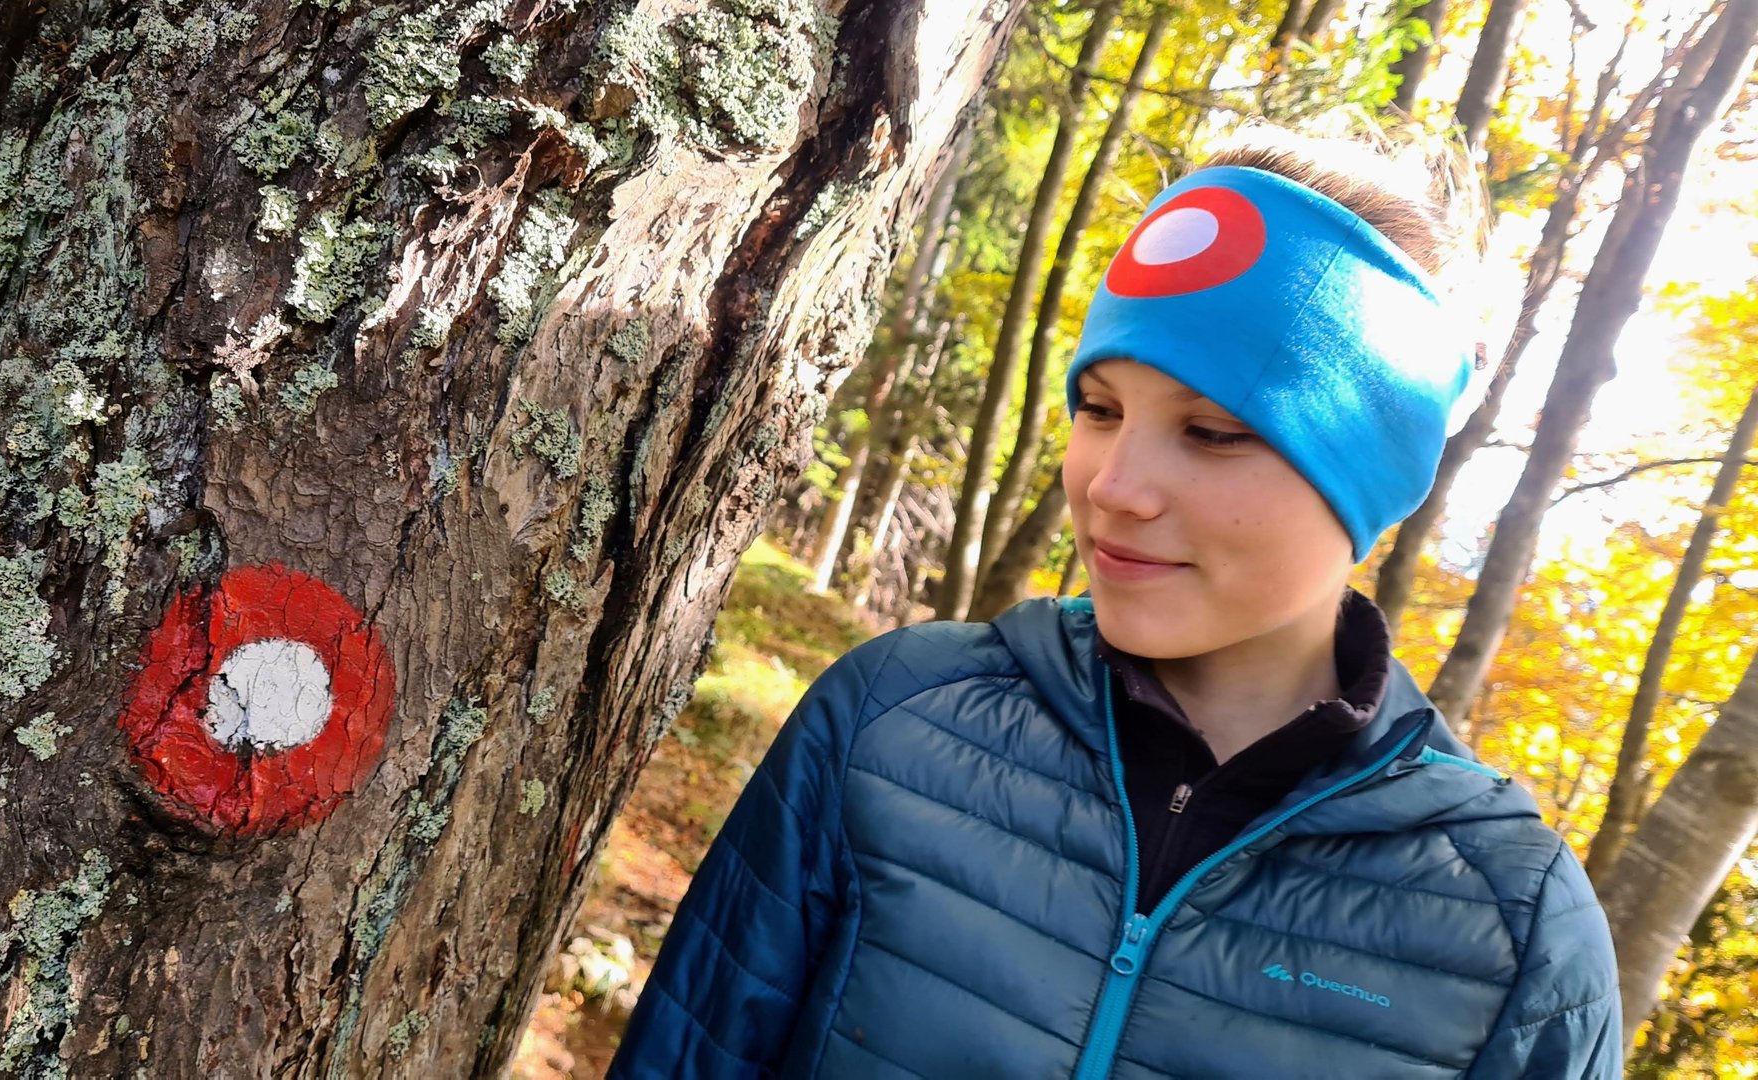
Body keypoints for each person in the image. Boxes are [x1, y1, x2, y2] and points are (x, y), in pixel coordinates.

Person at [607, 125, 1624, 1079]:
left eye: (1214, 432)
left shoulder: (1512, 929)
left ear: (1368, 478)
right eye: (1099, 410)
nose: (1112, 486)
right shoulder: (892, 719)